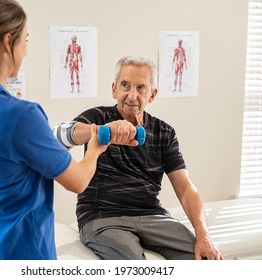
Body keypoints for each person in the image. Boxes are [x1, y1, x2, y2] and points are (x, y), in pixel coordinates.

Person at [0, 0, 108, 260]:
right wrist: (96, 148)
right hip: (24, 256)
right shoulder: (21, 114)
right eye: (26, 39)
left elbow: (5, 159)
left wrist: (59, 142)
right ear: (8, 42)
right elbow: (78, 181)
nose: (27, 48)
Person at [53, 56, 223, 260]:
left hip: (151, 215)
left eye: (141, 88)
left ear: (152, 94)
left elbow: (185, 188)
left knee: (205, 260)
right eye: (125, 85)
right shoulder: (96, 118)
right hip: (102, 216)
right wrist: (99, 131)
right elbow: (59, 136)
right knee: (134, 264)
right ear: (114, 89)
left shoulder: (164, 133)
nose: (132, 95)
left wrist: (203, 234)